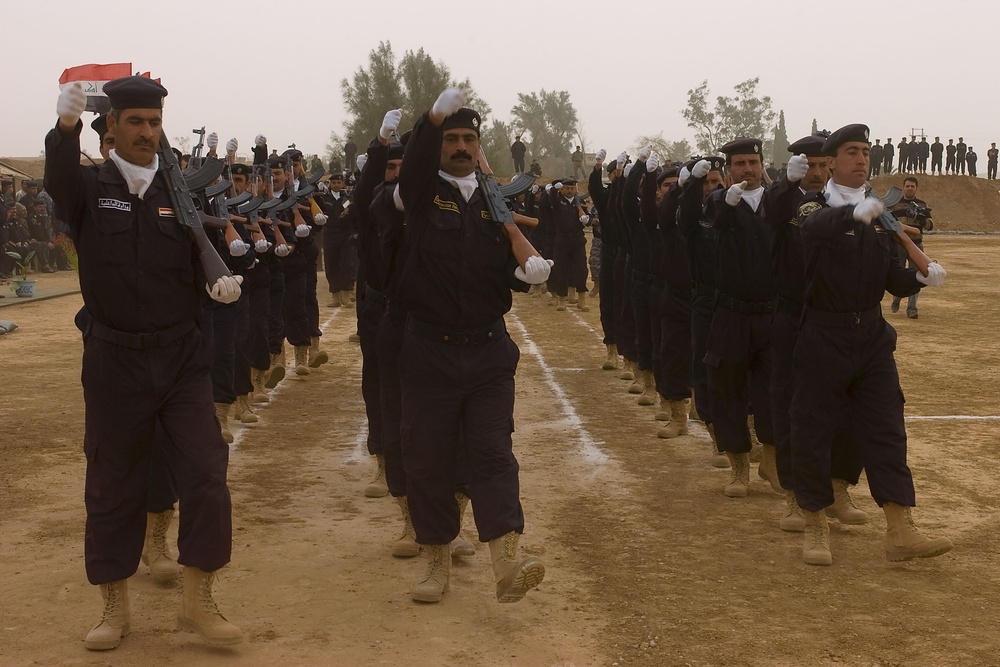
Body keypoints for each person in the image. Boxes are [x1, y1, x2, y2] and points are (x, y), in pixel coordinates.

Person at [46, 76, 243, 650]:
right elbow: (58, 180)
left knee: (207, 475)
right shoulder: (88, 186)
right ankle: (114, 604)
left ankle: (198, 601)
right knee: (112, 483)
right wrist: (64, 130)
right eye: (135, 122)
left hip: (181, 359)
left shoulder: (179, 193)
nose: (147, 134)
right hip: (114, 360)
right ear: (112, 127)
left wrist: (223, 280)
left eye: (154, 124)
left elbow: (204, 252)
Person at [396, 87, 547, 604]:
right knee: (429, 458)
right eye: (451, 137)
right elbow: (414, 160)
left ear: (480, 145)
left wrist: (525, 266)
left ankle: (507, 560)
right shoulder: (421, 192)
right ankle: (437, 562)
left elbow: (504, 261)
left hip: (487, 351)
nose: (460, 146)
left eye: (469, 138)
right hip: (429, 351)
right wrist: (429, 119)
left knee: (493, 452)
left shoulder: (494, 199)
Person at [791, 123, 952, 566]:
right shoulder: (811, 207)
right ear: (829, 163)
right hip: (823, 335)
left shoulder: (881, 216)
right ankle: (815, 523)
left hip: (872, 338)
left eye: (865, 151)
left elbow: (888, 278)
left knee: (885, 429)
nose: (862, 159)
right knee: (814, 430)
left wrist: (919, 277)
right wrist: (852, 214)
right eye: (851, 152)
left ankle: (900, 528)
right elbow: (814, 230)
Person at [704, 137, 776, 498]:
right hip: (731, 313)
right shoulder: (719, 201)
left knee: (774, 391)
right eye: (740, 164)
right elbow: (714, 218)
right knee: (728, 389)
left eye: (753, 162)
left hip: (771, 314)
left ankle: (773, 460)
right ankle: (738, 467)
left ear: (762, 164)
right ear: (728, 171)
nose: (748, 169)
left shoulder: (777, 202)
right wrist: (728, 203)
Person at [889, 176, 934, 318]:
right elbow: (888, 222)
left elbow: (930, 226)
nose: (909, 189)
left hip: (916, 244)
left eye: (912, 186)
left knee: (918, 275)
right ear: (903, 187)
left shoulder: (922, 204)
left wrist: (923, 219)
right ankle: (897, 298)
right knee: (897, 273)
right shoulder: (894, 204)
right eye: (907, 186)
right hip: (899, 244)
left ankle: (912, 308)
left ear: (916, 188)